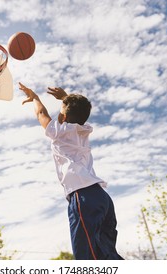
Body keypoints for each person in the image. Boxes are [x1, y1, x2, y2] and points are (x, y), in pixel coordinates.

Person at [19, 82, 123, 260]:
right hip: (102, 198)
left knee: (87, 258)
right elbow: (77, 110)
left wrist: (36, 98)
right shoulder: (84, 130)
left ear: (64, 117)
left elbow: (41, 114)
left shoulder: (60, 132)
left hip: (84, 197)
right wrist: (65, 99)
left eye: (61, 110)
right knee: (107, 255)